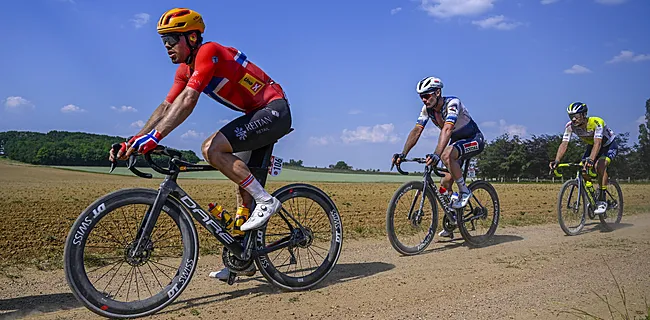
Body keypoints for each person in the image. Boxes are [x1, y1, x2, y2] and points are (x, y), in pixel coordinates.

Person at [108, 8, 292, 281]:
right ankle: (244, 259)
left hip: (273, 109)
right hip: (255, 115)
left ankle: (267, 201)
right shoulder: (185, 69)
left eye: (172, 39)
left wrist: (155, 138)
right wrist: (135, 140)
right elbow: (167, 106)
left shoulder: (208, 52)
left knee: (211, 148)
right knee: (242, 193)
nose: (167, 46)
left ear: (192, 38)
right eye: (163, 41)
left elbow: (188, 101)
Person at [392, 76, 485, 238]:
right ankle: (452, 220)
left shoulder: (452, 104)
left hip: (473, 139)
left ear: (438, 92)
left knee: (445, 154)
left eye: (427, 95)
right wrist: (403, 153)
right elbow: (416, 131)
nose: (423, 99)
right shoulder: (426, 110)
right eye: (421, 96)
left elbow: (447, 130)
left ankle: (464, 191)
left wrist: (436, 154)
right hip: (458, 144)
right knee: (444, 185)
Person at [550, 102, 618, 214]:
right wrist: (557, 160)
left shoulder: (596, 122)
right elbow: (564, 144)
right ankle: (593, 198)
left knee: (599, 166)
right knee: (583, 168)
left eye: (576, 116)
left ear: (584, 114)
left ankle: (602, 197)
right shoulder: (570, 127)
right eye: (571, 116)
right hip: (593, 146)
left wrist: (591, 160)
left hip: (608, 145)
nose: (573, 119)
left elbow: (598, 143)